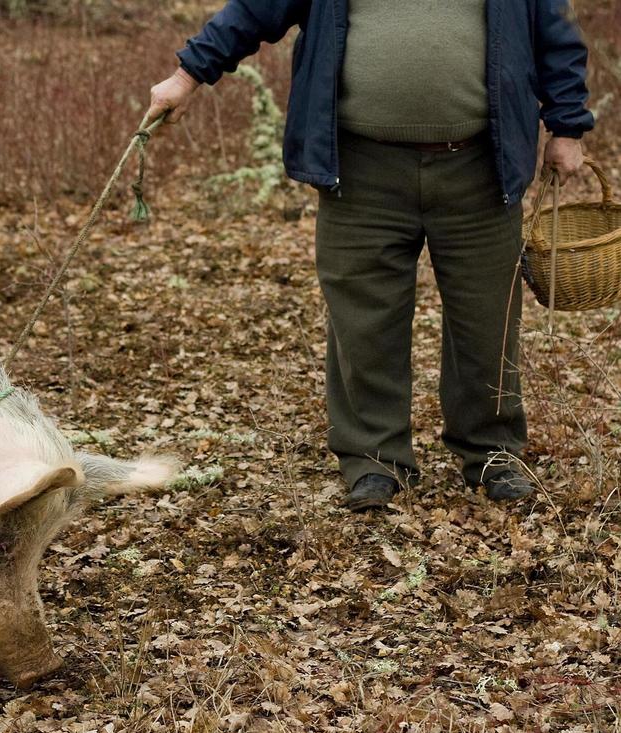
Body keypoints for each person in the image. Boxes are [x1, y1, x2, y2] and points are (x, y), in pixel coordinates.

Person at [148, 0, 595, 510]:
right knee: (363, 321)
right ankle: (375, 461)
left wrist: (567, 126)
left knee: (487, 319)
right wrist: (187, 76)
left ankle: (492, 453)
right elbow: (255, 9)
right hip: (359, 168)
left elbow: (556, 34)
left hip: (481, 167)